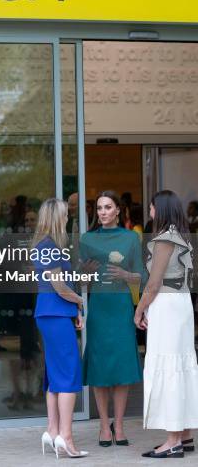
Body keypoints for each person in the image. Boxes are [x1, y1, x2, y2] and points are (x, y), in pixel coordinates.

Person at [135, 190, 198, 459]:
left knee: (168, 366)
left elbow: (153, 283)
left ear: (159, 210)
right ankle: (183, 435)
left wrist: (139, 309)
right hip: (181, 304)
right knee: (181, 366)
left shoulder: (163, 240)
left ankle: (172, 440)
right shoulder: (182, 235)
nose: (149, 212)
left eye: (151, 208)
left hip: (167, 305)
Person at [80, 190, 144, 446]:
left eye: (108, 207)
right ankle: (103, 426)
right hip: (99, 307)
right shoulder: (87, 239)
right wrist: (83, 273)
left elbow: (142, 276)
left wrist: (126, 276)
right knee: (100, 366)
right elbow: (81, 283)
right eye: (99, 208)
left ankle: (119, 425)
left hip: (121, 307)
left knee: (121, 366)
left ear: (118, 210)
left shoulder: (131, 238)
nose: (103, 212)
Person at [32, 198, 88, 458]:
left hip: (52, 313)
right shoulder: (50, 247)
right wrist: (80, 301)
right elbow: (60, 287)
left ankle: (52, 432)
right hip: (55, 313)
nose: (68, 218)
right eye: (65, 214)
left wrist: (74, 309)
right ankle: (66, 437)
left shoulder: (44, 245)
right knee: (67, 374)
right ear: (57, 218)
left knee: (55, 375)